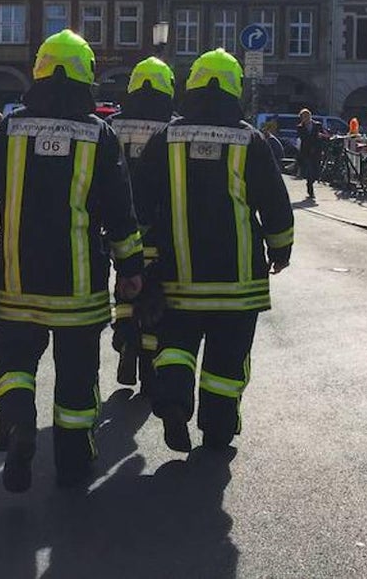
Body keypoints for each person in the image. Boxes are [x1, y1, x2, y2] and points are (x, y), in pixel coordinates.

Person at [0, 30, 143, 492]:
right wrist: (132, 269)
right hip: (80, 288)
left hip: (17, 282)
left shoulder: (9, 130)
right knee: (77, 378)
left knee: (13, 359)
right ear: (85, 78)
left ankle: (17, 418)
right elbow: (120, 210)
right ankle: (74, 463)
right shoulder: (98, 135)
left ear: (38, 72)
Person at [133, 48, 293, 453]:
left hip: (178, 276)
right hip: (237, 284)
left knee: (175, 345)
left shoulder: (166, 138)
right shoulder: (251, 140)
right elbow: (274, 203)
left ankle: (172, 401)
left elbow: (139, 200)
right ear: (234, 88)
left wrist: (137, 254)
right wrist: (281, 248)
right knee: (226, 360)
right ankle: (218, 431)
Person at [108, 56, 176, 394]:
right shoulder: (174, 127)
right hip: (160, 225)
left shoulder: (113, 126)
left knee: (124, 279)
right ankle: (148, 360)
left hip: (119, 223)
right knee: (153, 292)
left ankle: (123, 336)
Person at [297, 108, 326, 199]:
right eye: (304, 116)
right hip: (306, 152)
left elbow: (324, 135)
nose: (306, 118)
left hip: (316, 151)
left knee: (316, 171)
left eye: (307, 116)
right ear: (301, 118)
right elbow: (304, 138)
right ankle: (310, 190)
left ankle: (311, 181)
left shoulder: (317, 125)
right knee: (310, 171)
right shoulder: (300, 127)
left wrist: (322, 136)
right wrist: (315, 137)